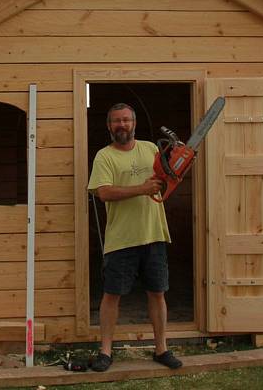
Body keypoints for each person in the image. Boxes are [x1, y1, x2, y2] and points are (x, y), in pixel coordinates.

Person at [87, 102, 183, 372]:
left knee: (157, 292)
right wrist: (141, 188)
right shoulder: (104, 156)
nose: (122, 125)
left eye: (127, 120)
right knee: (111, 295)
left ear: (134, 123)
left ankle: (161, 348)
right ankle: (105, 351)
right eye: (116, 121)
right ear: (109, 126)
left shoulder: (151, 149)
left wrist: (179, 163)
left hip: (153, 234)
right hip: (121, 239)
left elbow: (166, 179)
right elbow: (103, 192)